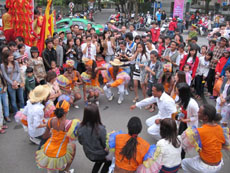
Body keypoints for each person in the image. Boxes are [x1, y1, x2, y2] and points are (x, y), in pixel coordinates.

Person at [181, 104, 229, 173]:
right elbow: (224, 144)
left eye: (199, 112)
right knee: (196, 158)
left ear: (205, 117)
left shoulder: (198, 131)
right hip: (219, 163)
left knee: (184, 162)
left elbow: (184, 144)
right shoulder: (221, 129)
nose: (197, 113)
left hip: (206, 166)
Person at [36, 100, 76, 173]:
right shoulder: (69, 124)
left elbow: (45, 136)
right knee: (73, 146)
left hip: (48, 149)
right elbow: (73, 138)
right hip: (59, 151)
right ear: (67, 111)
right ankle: (66, 170)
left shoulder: (50, 121)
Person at [77, 104, 111, 173]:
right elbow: (105, 145)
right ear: (97, 115)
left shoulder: (80, 127)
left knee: (99, 161)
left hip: (88, 153)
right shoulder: (101, 129)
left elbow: (80, 142)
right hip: (100, 154)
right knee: (109, 160)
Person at [176, 82, 199, 159]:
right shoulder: (183, 100)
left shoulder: (192, 104)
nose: (176, 92)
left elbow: (196, 116)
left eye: (177, 91)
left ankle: (181, 158)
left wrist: (186, 120)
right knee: (179, 138)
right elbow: (182, 109)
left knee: (184, 143)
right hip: (183, 123)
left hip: (189, 126)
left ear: (182, 93)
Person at [1, 50, 24, 115]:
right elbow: (5, 75)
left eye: (12, 55)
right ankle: (17, 113)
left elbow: (19, 72)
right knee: (13, 100)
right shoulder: (3, 65)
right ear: (6, 57)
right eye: (10, 56)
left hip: (18, 82)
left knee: (21, 98)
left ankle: (23, 111)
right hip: (10, 84)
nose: (11, 57)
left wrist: (16, 81)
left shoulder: (16, 62)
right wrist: (12, 83)